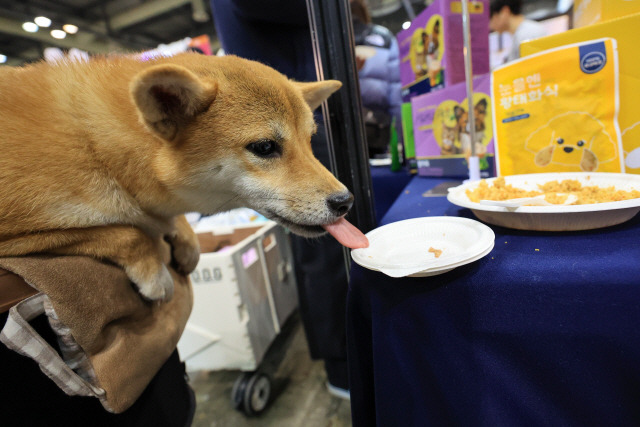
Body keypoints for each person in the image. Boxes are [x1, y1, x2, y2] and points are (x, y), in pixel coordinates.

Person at [209, 0, 353, 399]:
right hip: (270, 98)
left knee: (319, 249)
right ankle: (341, 362)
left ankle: (341, 356)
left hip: (288, 98)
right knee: (323, 260)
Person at [351, 0, 402, 158]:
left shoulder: (326, 35)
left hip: (353, 130)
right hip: (377, 130)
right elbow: (396, 93)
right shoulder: (384, 36)